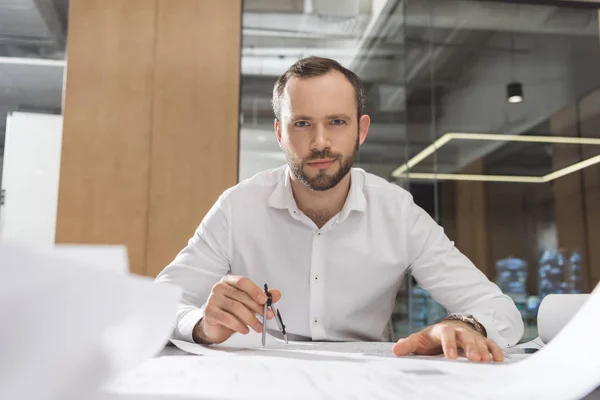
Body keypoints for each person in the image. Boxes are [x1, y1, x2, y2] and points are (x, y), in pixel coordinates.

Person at [155, 56, 524, 362]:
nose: (320, 143)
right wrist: (204, 325)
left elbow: (498, 308)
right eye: (302, 124)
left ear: (361, 130)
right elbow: (158, 304)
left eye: (337, 122)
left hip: (368, 382)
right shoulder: (238, 206)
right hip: (262, 379)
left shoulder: (396, 211)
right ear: (280, 133)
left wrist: (464, 325)